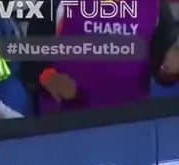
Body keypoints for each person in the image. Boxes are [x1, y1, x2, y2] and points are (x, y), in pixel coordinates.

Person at [21, 0, 179, 113]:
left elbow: (163, 67)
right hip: (66, 125)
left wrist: (169, 71)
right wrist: (49, 77)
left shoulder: (155, 5)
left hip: (130, 123)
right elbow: (30, 58)